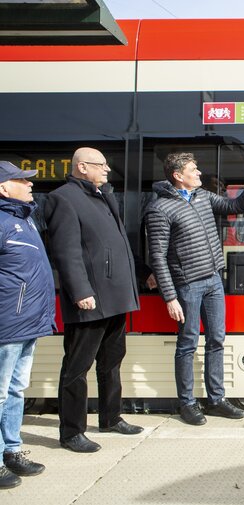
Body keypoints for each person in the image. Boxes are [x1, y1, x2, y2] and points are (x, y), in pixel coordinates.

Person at [145, 152, 244, 425]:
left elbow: (237, 205)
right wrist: (170, 297)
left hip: (214, 279)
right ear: (178, 176)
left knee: (216, 340)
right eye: (194, 169)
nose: (200, 173)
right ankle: (187, 404)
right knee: (187, 344)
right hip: (187, 285)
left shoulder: (203, 197)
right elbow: (158, 256)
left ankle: (216, 399)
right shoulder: (159, 210)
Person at [45, 147, 143, 453]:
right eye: (101, 165)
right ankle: (72, 432)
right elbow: (67, 252)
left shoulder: (102, 195)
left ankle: (110, 417)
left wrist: (141, 274)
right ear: (82, 167)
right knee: (77, 366)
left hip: (116, 296)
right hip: (91, 298)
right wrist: (81, 291)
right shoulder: (64, 198)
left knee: (111, 361)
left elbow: (115, 244)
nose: (107, 170)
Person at [0, 162, 55, 488]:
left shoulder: (26, 220)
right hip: (7, 324)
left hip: (27, 324)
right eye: (22, 180)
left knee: (16, 390)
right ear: (4, 188)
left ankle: (12, 450)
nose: (30, 184)